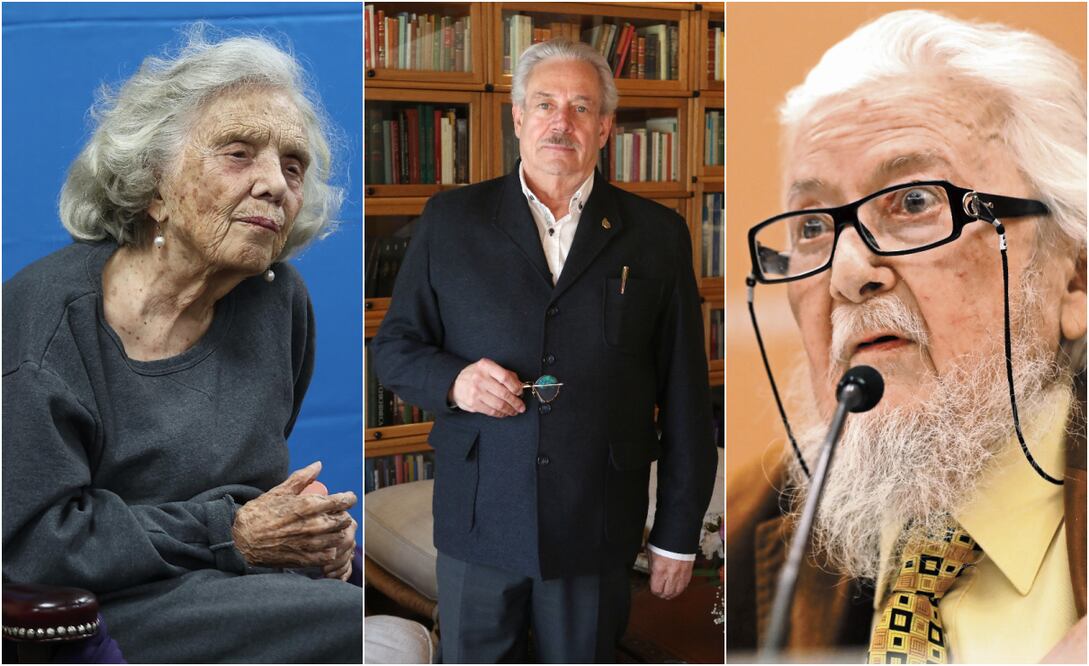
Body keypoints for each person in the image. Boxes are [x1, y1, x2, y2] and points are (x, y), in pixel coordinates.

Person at [726, 9, 1086, 663]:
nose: (846, 274)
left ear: (1074, 280)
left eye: (914, 202)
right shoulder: (749, 518)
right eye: (811, 228)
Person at [2, 29, 362, 663]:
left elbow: (252, 478)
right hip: (107, 601)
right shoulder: (46, 321)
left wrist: (308, 525)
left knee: (362, 606)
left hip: (233, 580)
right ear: (153, 186)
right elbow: (31, 544)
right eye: (239, 153)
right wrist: (231, 533)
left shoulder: (279, 301)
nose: (275, 184)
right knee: (352, 625)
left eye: (293, 165)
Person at [370, 39, 717, 663]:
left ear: (606, 127)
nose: (562, 121)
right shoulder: (450, 221)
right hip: (478, 518)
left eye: (582, 108)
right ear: (517, 118)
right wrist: (456, 383)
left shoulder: (657, 235)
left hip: (597, 522)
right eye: (546, 104)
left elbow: (688, 395)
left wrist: (677, 536)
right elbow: (394, 349)